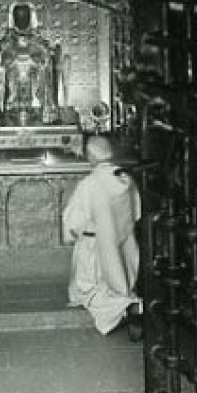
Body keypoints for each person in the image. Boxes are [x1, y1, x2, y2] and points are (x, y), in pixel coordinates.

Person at [63, 136, 142, 337]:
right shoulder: (125, 178)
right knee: (119, 282)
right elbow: (137, 211)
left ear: (91, 156)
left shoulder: (90, 184)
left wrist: (71, 232)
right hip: (124, 244)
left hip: (94, 247)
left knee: (89, 289)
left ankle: (127, 308)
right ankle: (127, 302)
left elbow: (75, 219)